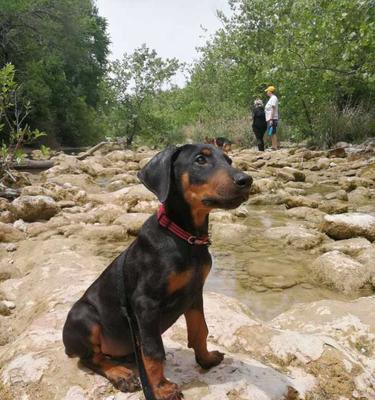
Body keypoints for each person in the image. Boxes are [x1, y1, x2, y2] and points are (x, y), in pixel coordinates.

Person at [264, 85, 279, 150]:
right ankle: (273, 146)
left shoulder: (273, 98)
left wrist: (271, 119)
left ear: (270, 91)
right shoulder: (272, 98)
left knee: (273, 132)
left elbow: (273, 108)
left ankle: (275, 147)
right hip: (270, 118)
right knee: (272, 132)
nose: (266, 92)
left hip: (272, 118)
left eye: (267, 91)